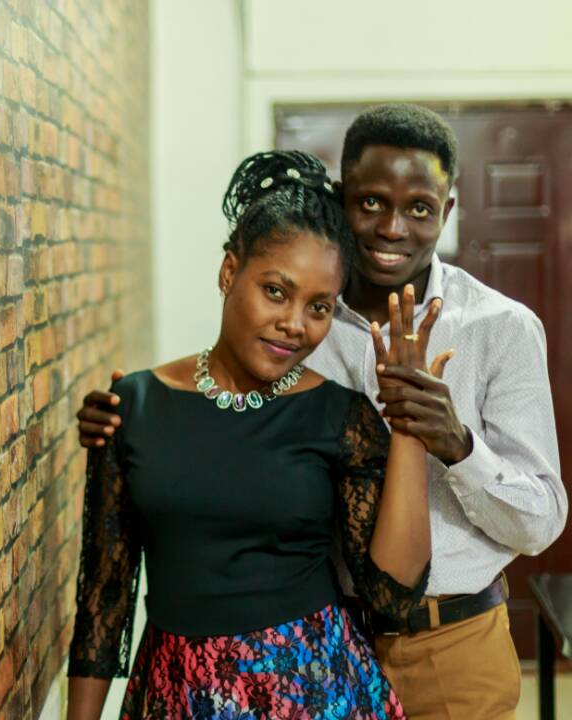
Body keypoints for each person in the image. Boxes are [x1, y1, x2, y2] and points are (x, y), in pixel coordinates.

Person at [77, 104, 567, 719]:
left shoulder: (501, 328)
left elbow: (540, 524)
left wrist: (456, 444)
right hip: (320, 638)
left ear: (445, 211)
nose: (393, 228)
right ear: (342, 198)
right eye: (371, 203)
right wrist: (128, 416)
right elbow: (220, 415)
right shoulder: (301, 327)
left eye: (419, 208)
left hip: (449, 644)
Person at [67, 149, 443, 720]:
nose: (294, 324)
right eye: (276, 291)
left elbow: (393, 592)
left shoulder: (340, 416)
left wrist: (407, 418)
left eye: (319, 307)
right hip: (177, 693)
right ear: (229, 272)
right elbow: (104, 594)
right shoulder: (132, 407)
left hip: (312, 691)